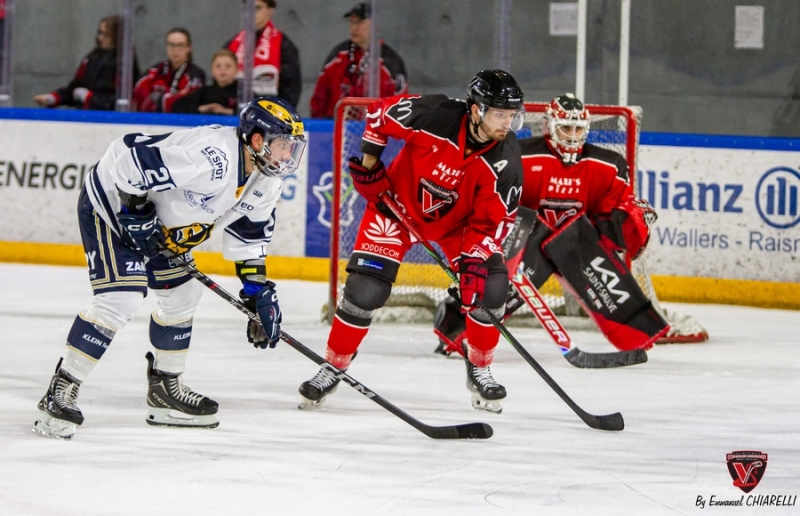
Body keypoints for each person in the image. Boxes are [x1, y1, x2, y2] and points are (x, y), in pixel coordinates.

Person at [32, 96, 307, 439]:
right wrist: (136, 212)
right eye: (283, 145)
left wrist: (257, 292)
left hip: (160, 227)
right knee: (122, 297)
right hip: (112, 206)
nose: (287, 156)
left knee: (184, 293)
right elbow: (129, 156)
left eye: (292, 148)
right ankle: (60, 389)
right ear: (256, 140)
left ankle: (165, 391)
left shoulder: (267, 181)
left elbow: (249, 239)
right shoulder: (212, 155)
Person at [298, 69, 524, 414]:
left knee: (491, 289)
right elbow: (378, 114)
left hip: (458, 229)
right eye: (499, 114)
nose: (506, 123)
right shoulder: (435, 114)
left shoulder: (506, 158)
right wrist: (371, 164)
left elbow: (495, 222)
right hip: (395, 211)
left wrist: (475, 260)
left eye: (512, 115)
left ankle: (479, 367)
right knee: (365, 290)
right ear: (476, 110)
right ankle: (333, 364)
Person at [434, 93, 668, 357]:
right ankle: (455, 330)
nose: (572, 134)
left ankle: (636, 333)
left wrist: (625, 219)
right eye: (566, 127)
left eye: (578, 128)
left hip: (574, 243)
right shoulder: (519, 155)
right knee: (500, 276)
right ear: (549, 127)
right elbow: (492, 197)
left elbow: (610, 213)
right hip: (525, 240)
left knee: (598, 264)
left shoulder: (609, 166)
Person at [309, 2, 407, 119]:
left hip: (375, 132)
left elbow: (401, 107)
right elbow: (319, 98)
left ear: (374, 25)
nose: (354, 27)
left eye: (359, 22)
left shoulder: (390, 62)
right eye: (351, 22)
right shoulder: (338, 55)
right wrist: (321, 128)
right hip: (336, 130)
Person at [33, 15, 140, 111]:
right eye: (100, 33)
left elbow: (122, 99)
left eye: (106, 34)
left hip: (109, 120)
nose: (100, 38)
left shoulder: (125, 63)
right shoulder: (92, 57)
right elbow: (75, 87)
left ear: (116, 37)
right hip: (86, 117)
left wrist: (90, 97)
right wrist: (53, 98)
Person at [225, 0, 301, 107]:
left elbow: (291, 86)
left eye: (257, 8)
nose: (250, 13)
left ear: (270, 10)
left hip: (270, 112)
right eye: (246, 9)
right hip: (234, 112)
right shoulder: (232, 44)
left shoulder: (283, 45)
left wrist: (281, 115)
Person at [133, 28, 205, 113]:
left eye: (180, 45)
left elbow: (185, 104)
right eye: (171, 45)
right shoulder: (155, 71)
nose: (175, 49)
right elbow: (139, 93)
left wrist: (161, 99)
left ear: (188, 48)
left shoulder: (196, 75)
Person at [198, 49, 239, 115]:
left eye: (228, 66)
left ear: (237, 69)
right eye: (218, 66)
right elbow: (180, 106)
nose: (223, 69)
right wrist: (201, 108)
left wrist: (230, 111)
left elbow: (256, 110)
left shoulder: (243, 93)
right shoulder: (204, 92)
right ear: (212, 70)